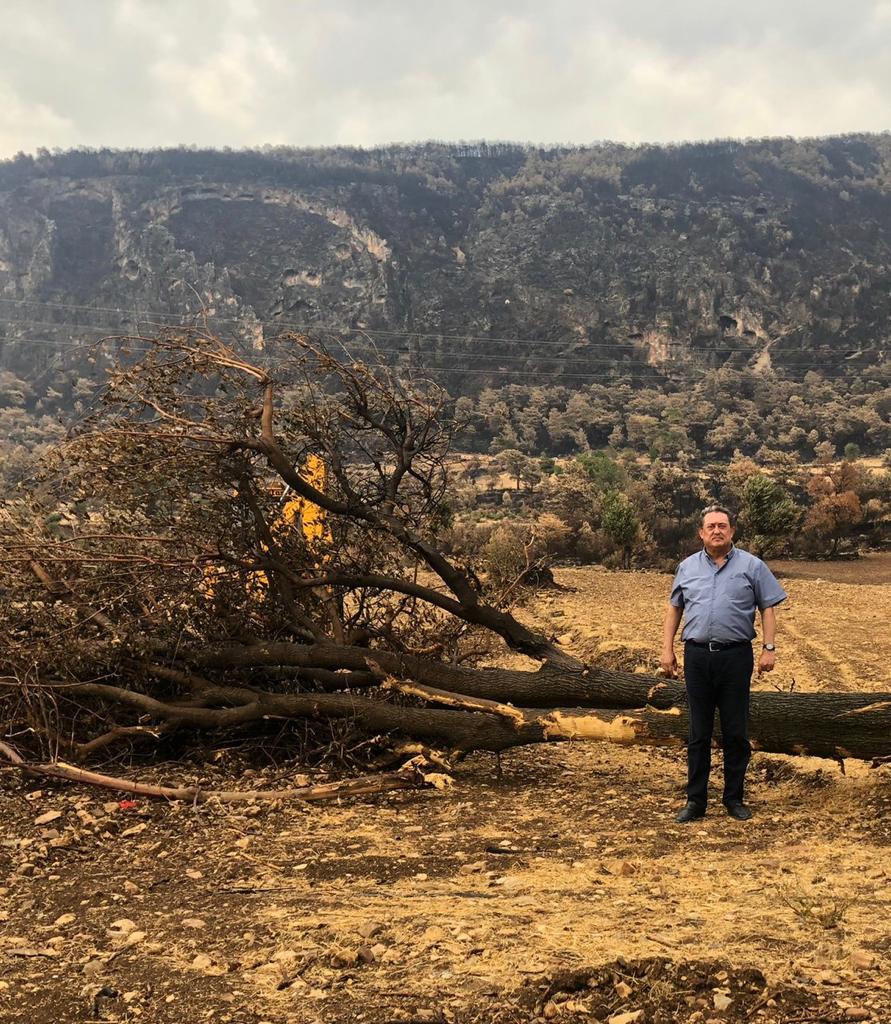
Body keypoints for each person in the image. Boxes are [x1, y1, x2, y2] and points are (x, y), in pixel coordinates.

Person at [660, 504, 787, 823]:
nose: (717, 530)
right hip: (697, 656)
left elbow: (768, 608)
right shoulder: (686, 567)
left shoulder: (753, 566)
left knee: (735, 732)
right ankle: (695, 801)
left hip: (736, 656)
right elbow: (674, 609)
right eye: (711, 526)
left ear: (731, 531)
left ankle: (733, 799)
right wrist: (667, 649)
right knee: (698, 733)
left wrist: (769, 648)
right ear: (701, 533)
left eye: (722, 525)